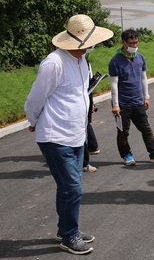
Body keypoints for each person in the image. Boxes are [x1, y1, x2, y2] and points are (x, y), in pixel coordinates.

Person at [24, 14, 113, 255]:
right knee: (72, 188)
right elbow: (36, 97)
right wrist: (32, 120)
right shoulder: (54, 63)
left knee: (68, 187)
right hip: (55, 136)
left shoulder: (83, 61)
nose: (93, 44)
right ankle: (69, 235)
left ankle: (65, 229)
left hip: (76, 133)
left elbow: (80, 92)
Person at [109, 29, 154, 166]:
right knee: (123, 132)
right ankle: (126, 155)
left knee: (146, 128)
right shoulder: (115, 61)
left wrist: (146, 97)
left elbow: (143, 78)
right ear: (123, 42)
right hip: (123, 104)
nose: (134, 45)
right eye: (131, 43)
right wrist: (116, 104)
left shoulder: (140, 58)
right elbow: (114, 85)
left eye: (136, 42)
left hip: (138, 101)